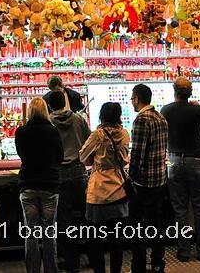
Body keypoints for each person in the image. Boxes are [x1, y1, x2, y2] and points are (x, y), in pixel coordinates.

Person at [160, 76, 200, 262]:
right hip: (195, 161)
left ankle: (183, 251)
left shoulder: (165, 110)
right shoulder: (196, 109)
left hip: (174, 162)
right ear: (190, 92)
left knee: (180, 210)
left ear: (174, 91)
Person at [79, 101, 130, 273]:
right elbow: (124, 159)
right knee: (116, 240)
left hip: (98, 192)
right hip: (119, 189)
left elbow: (83, 157)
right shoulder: (124, 133)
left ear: (102, 115)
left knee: (94, 239)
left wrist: (96, 160)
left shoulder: (98, 135)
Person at [15, 97, 64, 273]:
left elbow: (21, 155)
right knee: (49, 233)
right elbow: (60, 157)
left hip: (28, 186)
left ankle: (33, 270)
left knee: (31, 234)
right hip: (49, 186)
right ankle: (51, 269)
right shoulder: (53, 131)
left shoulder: (21, 132)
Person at [48, 90, 91, 273]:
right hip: (80, 173)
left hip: (59, 176)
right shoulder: (78, 119)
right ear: (64, 101)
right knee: (87, 217)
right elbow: (89, 140)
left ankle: (71, 263)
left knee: (64, 222)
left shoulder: (48, 123)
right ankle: (94, 256)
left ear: (49, 105)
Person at [129, 84, 168, 273]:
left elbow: (137, 154)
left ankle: (139, 265)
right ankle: (158, 262)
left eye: (132, 98)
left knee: (138, 226)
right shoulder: (161, 117)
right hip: (160, 179)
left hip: (143, 182)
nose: (131, 102)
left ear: (137, 99)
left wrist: (131, 177)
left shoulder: (141, 120)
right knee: (156, 222)